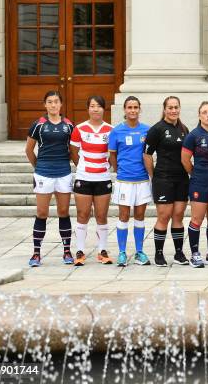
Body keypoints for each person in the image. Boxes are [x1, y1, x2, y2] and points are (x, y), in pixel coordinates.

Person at [24, 90, 74, 267]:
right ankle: (36, 253)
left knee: (63, 212)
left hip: (63, 173)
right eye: (50, 102)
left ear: (61, 104)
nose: (53, 105)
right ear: (45, 105)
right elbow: (29, 150)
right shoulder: (38, 124)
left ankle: (67, 251)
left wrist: (64, 161)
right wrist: (38, 166)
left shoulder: (68, 125)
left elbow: (72, 150)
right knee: (42, 213)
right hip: (43, 173)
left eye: (56, 102)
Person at [144, 96, 190, 267]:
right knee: (164, 216)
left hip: (181, 179)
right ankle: (159, 253)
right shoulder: (156, 129)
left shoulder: (184, 129)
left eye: (176, 107)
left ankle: (178, 253)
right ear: (164, 109)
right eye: (170, 107)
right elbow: (147, 155)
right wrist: (153, 175)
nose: (173, 110)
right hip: (163, 178)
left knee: (178, 215)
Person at [69, 95, 114, 266]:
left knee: (101, 215)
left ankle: (102, 251)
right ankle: (80, 251)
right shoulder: (79, 129)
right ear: (88, 108)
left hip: (103, 177)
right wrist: (82, 166)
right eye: (92, 106)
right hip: (84, 177)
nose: (95, 109)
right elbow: (73, 151)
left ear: (104, 109)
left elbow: (113, 153)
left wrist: (106, 165)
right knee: (83, 214)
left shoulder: (111, 129)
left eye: (99, 106)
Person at [109, 96, 151, 267]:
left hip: (142, 180)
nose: (132, 110)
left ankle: (139, 252)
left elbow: (148, 155)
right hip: (124, 180)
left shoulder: (147, 130)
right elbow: (112, 155)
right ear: (124, 110)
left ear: (139, 109)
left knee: (140, 216)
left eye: (135, 107)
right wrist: (120, 171)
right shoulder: (117, 131)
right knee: (124, 215)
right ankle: (122, 252)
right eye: (129, 107)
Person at [181, 101, 208, 268]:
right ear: (199, 116)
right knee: (197, 219)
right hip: (199, 183)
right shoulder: (193, 135)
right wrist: (195, 173)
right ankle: (195, 254)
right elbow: (185, 160)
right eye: (204, 112)